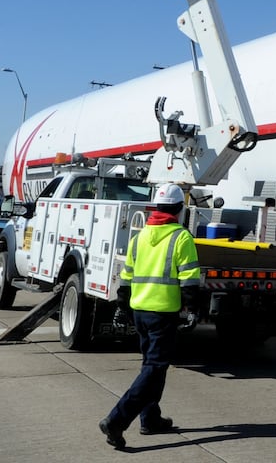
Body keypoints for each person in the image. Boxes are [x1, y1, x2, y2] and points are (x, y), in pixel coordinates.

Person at [99, 182, 201, 450]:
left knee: (152, 366)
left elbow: (126, 276)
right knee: (154, 369)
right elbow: (190, 279)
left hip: (140, 311)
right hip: (163, 314)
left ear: (156, 208)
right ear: (179, 209)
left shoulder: (139, 237)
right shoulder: (181, 237)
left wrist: (122, 306)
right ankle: (116, 420)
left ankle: (150, 418)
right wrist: (192, 310)